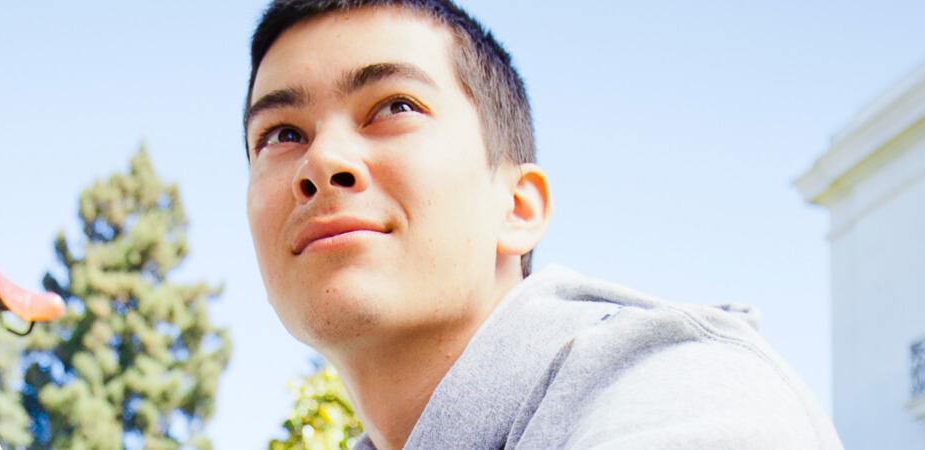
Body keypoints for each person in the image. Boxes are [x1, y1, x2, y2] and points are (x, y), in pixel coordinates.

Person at [240, 1, 842, 448]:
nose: (321, 163)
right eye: (281, 135)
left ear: (518, 207)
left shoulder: (681, 385)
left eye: (395, 107)